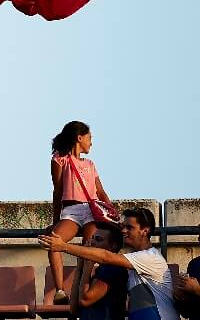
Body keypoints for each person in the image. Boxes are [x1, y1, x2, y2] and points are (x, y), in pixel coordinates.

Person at [39, 208, 178, 320]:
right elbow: (75, 308)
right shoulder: (129, 262)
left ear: (145, 231)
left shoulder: (150, 257)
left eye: (129, 227)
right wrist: (82, 266)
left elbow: (105, 257)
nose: (124, 231)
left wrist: (64, 247)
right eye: (123, 227)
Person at [47, 121, 114, 303]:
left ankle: (84, 289)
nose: (91, 142)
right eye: (89, 138)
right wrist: (55, 220)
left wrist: (113, 215)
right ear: (79, 137)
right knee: (54, 241)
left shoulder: (90, 164)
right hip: (71, 210)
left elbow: (100, 192)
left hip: (91, 211)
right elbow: (58, 191)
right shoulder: (60, 159)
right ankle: (60, 291)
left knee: (89, 247)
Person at [70, 223, 128, 320]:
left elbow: (84, 300)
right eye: (92, 238)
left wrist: (88, 268)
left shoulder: (113, 269)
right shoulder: (100, 270)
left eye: (98, 239)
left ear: (112, 246)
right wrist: (80, 265)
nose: (92, 242)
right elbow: (74, 309)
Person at [172, 237, 200, 319]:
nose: (199, 238)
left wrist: (197, 290)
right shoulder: (194, 264)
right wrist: (180, 297)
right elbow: (186, 313)